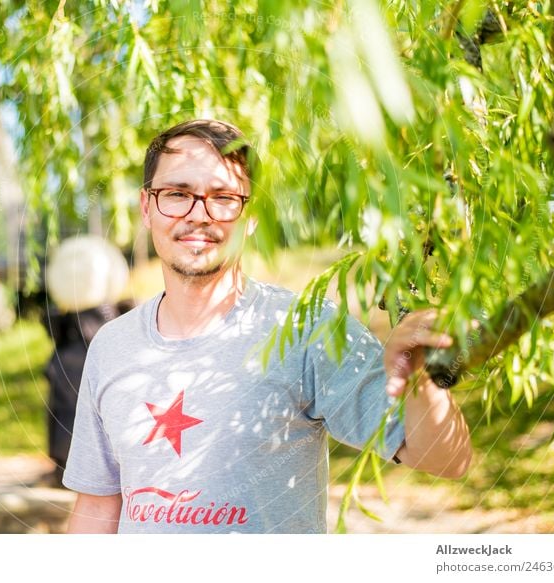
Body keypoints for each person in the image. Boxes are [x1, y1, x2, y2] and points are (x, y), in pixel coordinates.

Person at [61, 119, 472, 533]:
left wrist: (421, 380)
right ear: (146, 207)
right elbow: (97, 507)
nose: (198, 215)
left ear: (251, 216)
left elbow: (448, 458)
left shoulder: (306, 330)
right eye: (177, 194)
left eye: (223, 197)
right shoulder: (111, 345)